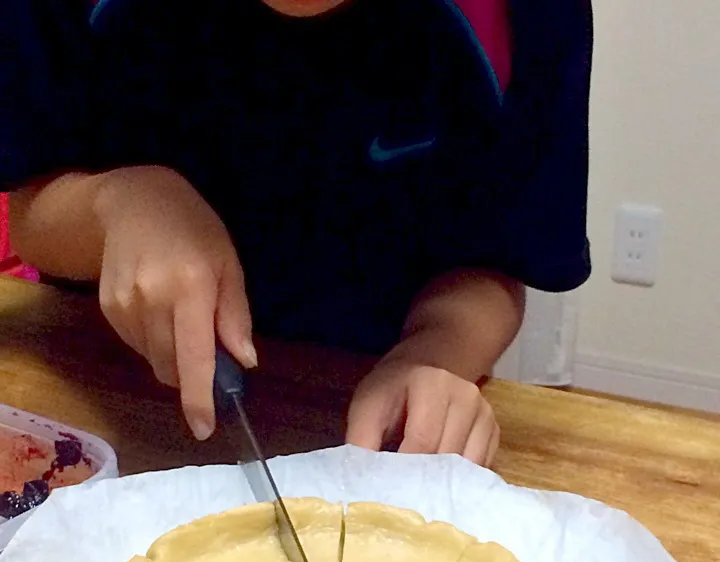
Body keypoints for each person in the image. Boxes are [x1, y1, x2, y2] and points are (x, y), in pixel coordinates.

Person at [1, 0, 593, 463]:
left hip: (364, 417)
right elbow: (32, 213)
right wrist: (115, 203)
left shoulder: (521, 16)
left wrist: (433, 354)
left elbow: (496, 258)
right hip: (109, 394)